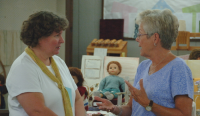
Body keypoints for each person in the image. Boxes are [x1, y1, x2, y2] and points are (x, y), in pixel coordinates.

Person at [94, 9, 194, 116]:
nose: (137, 39)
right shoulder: (143, 66)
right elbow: (131, 108)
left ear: (155, 38)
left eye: (140, 34)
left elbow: (184, 114)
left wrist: (148, 104)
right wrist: (115, 109)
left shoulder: (178, 68)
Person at [6, 11, 85, 116]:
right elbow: (37, 111)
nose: (62, 40)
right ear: (40, 37)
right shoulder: (23, 67)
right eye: (57, 35)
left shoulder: (59, 62)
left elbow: (77, 99)